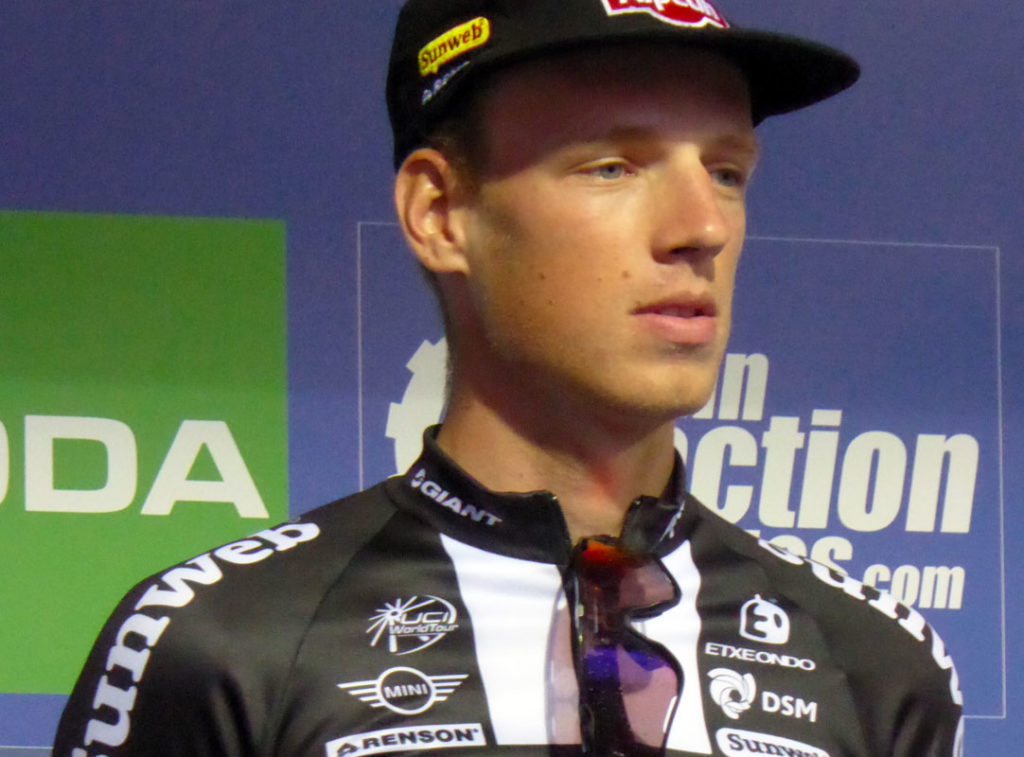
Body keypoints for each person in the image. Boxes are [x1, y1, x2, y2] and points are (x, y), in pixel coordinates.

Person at [55, 1, 964, 755]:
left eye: (726, 172)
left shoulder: (874, 662)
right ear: (440, 212)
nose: (703, 227)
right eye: (613, 166)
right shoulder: (223, 646)